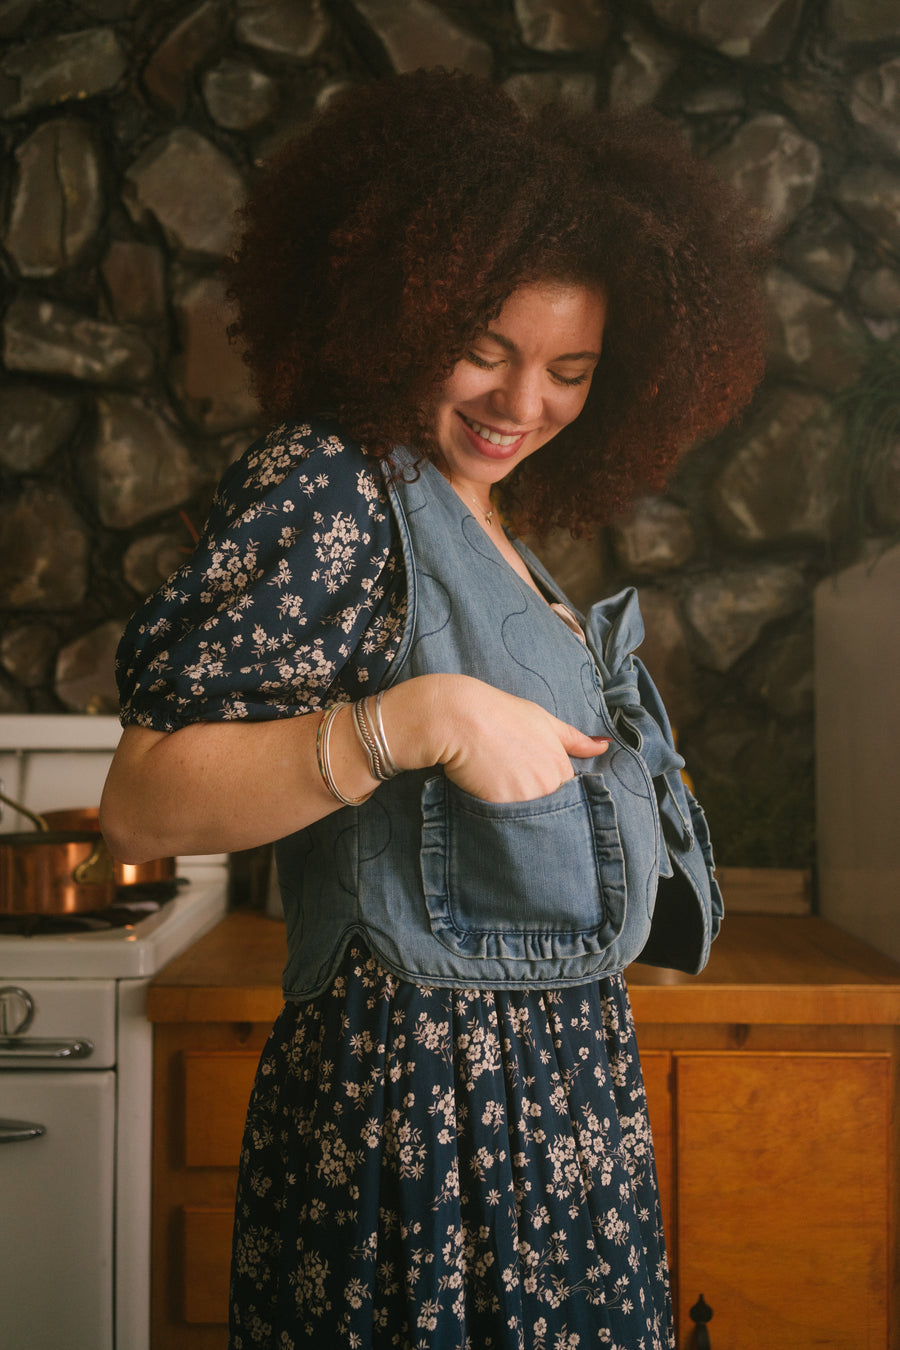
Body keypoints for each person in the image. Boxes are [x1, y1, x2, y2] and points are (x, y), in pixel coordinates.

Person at [101, 69, 765, 1350]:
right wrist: (416, 720)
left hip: (562, 1104)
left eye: (571, 370)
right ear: (400, 317)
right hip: (424, 1121)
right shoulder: (332, 487)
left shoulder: (487, 516)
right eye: (486, 353)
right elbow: (143, 800)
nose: (525, 408)